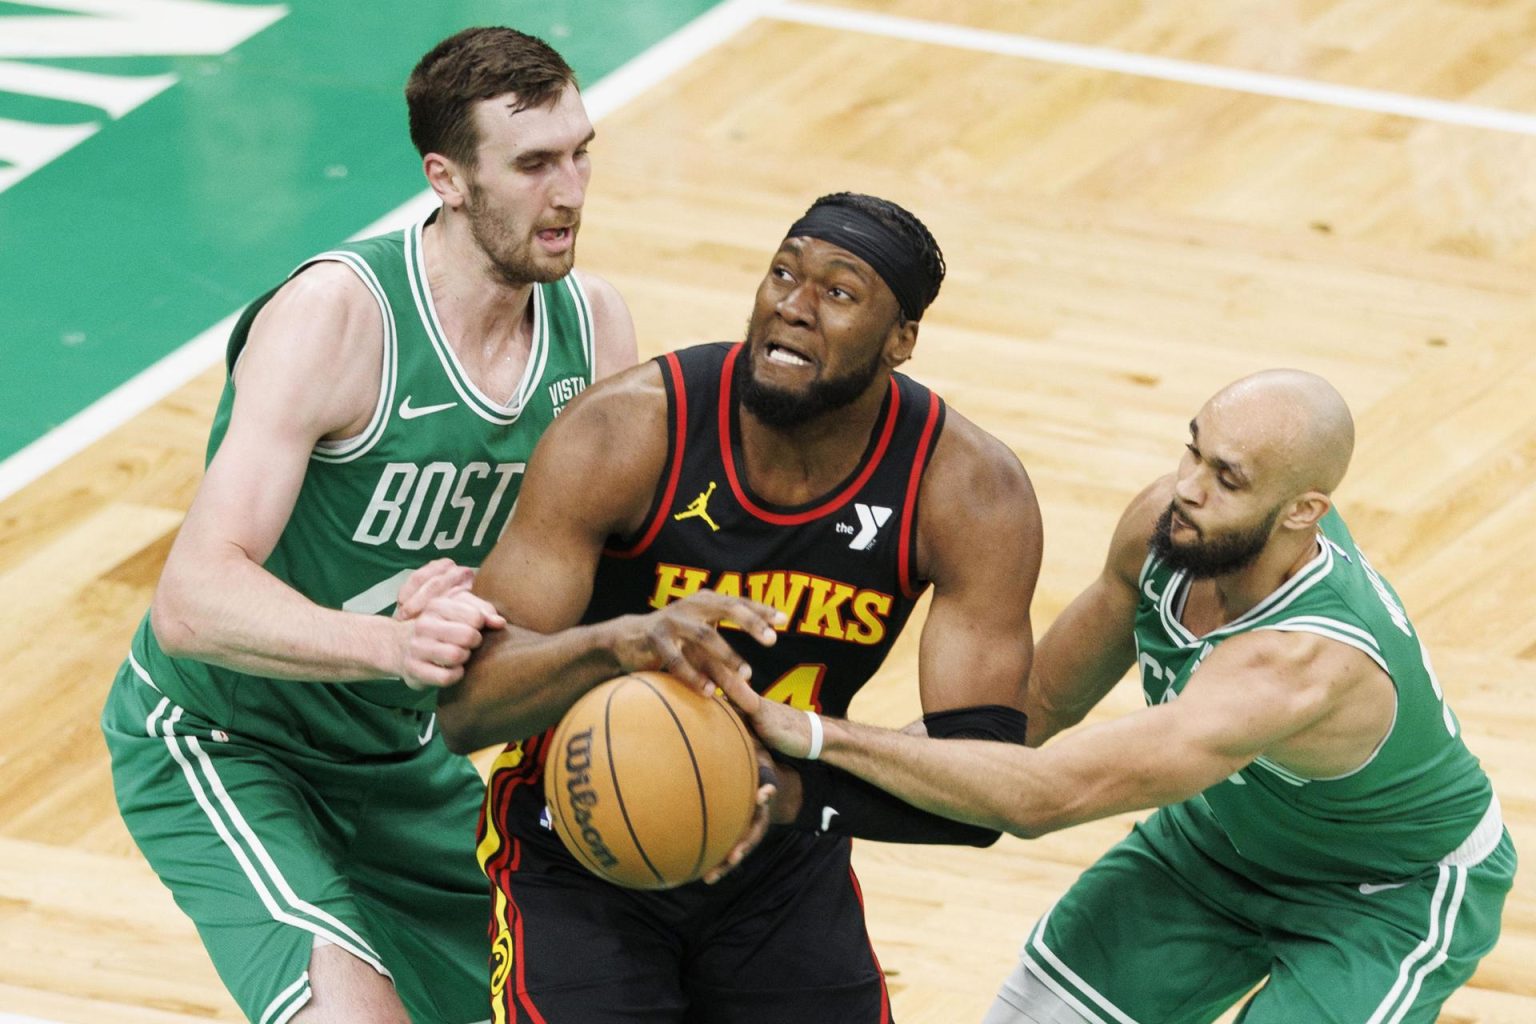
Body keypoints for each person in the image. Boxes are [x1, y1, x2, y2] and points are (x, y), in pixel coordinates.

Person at [99, 26, 637, 1024]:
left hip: (402, 761)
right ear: (447, 177)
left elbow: (588, 583)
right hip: (229, 737)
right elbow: (191, 597)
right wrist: (395, 642)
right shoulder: (338, 318)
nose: (569, 192)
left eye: (580, 151)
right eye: (532, 164)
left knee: (590, 998)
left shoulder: (593, 331)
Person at [721, 369, 1517, 1024]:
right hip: (1216, 846)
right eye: (1193, 453)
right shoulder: (1165, 532)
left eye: (1227, 478)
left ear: (1305, 512)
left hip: (1382, 895)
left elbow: (1044, 797)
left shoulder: (1298, 662)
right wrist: (810, 788)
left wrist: (821, 742)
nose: (1188, 488)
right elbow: (1036, 705)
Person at [433, 191, 1044, 1022]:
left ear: (900, 341)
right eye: (783, 273)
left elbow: (985, 794)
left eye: (838, 291)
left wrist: (791, 791)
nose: (793, 307)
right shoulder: (629, 430)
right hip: (577, 836)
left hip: (785, 857)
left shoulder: (968, 490)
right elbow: (467, 710)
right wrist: (620, 644)